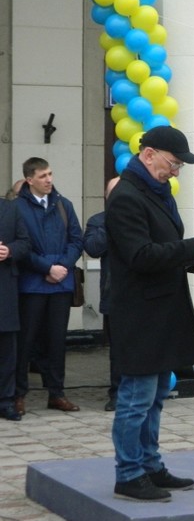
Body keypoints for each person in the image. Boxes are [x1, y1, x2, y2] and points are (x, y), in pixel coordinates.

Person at [106, 126, 194, 502]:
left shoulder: (158, 193)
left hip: (162, 308)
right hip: (139, 313)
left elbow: (164, 247)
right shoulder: (126, 196)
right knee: (136, 398)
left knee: (156, 394)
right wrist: (190, 248)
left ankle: (150, 465)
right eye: (173, 163)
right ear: (148, 154)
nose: (176, 172)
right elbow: (139, 255)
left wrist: (193, 258)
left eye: (179, 167)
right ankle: (128, 474)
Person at [15, 158, 84, 414]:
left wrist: (62, 266)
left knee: (57, 341)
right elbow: (20, 246)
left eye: (50, 174)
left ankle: (56, 393)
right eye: (43, 176)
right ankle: (17, 394)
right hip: (31, 285)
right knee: (25, 341)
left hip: (60, 285)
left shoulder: (64, 205)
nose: (49, 180)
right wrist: (47, 268)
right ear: (29, 179)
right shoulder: (17, 208)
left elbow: (76, 240)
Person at [83, 177, 120, 411]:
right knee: (118, 348)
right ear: (107, 197)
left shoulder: (141, 216)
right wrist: (113, 221)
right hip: (114, 293)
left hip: (141, 292)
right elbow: (93, 248)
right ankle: (117, 393)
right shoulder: (98, 221)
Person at [0, 197, 31, 421]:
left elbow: (25, 243)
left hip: (5, 289)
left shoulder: (10, 209)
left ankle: (6, 400)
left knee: (7, 350)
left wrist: (9, 251)